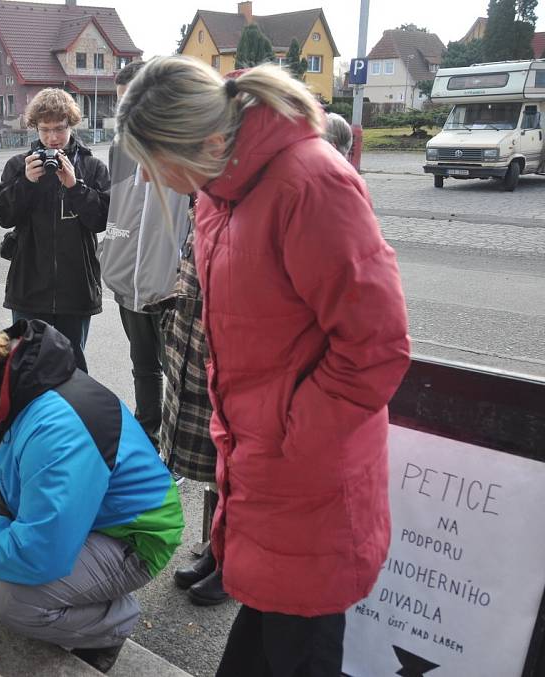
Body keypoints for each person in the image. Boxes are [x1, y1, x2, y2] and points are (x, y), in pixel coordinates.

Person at [116, 56, 410, 676]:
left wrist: (285, 439)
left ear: (212, 141)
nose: (150, 182)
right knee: (270, 628)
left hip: (307, 478)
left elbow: (375, 348)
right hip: (261, 470)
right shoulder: (220, 191)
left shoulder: (310, 183)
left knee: (299, 646)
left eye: (154, 164)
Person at [0, 319, 184, 673]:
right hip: (102, 511)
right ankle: (88, 589)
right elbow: (7, 431)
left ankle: (113, 623)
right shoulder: (20, 380)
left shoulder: (55, 430)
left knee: (14, 600)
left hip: (136, 536)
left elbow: (40, 553)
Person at [100, 60, 190, 465]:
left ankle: (177, 450)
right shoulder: (120, 147)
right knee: (143, 366)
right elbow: (116, 209)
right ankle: (147, 436)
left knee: (180, 373)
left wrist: (183, 271)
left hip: (169, 281)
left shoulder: (183, 145)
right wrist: (111, 257)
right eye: (121, 104)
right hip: (128, 279)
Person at [0, 88, 111, 373]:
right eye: (45, 130)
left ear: (71, 125)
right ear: (35, 128)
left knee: (73, 368)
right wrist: (26, 183)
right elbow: (4, 217)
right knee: (27, 367)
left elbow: (101, 221)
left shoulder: (92, 167)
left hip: (77, 289)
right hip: (28, 287)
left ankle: (72, 418)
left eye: (59, 129)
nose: (53, 138)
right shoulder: (19, 165)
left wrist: (74, 186)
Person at [152, 210, 228, 606]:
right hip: (193, 342)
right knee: (214, 467)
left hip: (228, 355)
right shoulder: (208, 199)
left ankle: (231, 566)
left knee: (231, 467)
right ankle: (215, 551)